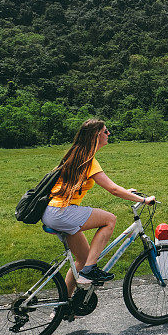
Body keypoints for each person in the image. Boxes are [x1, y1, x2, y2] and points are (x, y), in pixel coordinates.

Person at [42, 118, 154, 296]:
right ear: (97, 135)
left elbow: (112, 186)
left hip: (51, 211)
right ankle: (89, 271)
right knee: (110, 219)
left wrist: (127, 192)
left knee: (82, 258)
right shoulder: (88, 159)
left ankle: (63, 305)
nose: (109, 134)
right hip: (62, 212)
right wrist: (143, 200)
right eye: (106, 131)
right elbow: (113, 190)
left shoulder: (76, 154)